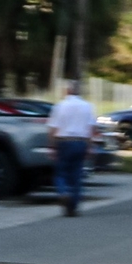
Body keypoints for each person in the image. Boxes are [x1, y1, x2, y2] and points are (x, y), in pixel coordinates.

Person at [48, 81, 97, 217]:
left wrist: (51, 146)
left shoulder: (60, 106)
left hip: (64, 142)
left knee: (61, 172)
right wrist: (90, 146)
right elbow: (91, 128)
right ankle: (73, 207)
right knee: (76, 175)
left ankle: (63, 192)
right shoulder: (87, 106)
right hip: (81, 142)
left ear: (67, 91)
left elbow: (53, 128)